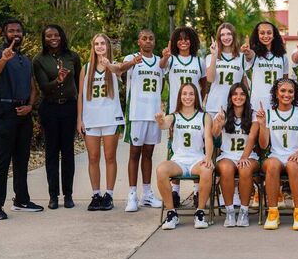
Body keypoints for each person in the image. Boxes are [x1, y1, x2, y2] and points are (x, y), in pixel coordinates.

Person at [0, 19, 43, 219]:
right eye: (11, 31)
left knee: (22, 159)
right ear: (4, 34)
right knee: (2, 159)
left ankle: (21, 200)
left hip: (23, 113)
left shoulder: (25, 60)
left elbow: (32, 88)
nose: (15, 33)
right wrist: (4, 59)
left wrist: (29, 106)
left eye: (18, 31)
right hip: (3, 110)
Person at [33, 24, 82, 209]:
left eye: (56, 35)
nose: (53, 38)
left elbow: (79, 84)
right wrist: (57, 81)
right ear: (44, 39)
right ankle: (53, 196)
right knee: (51, 153)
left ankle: (68, 195)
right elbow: (43, 87)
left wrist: (80, 111)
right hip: (50, 109)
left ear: (61, 36)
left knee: (68, 152)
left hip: (69, 108)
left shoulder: (72, 57)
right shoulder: (39, 60)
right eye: (48, 36)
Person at [159, 26, 207, 208]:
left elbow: (203, 84)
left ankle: (196, 192)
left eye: (187, 39)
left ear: (192, 41)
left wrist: (200, 104)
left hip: (195, 111)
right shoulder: (171, 60)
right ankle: (175, 192)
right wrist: (165, 56)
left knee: (196, 147)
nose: (183, 42)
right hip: (176, 111)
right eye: (180, 39)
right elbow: (161, 67)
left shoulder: (198, 61)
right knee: (175, 149)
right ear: (174, 42)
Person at [154, 83, 213, 229]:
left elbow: (209, 138)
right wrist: (160, 120)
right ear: (180, 96)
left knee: (207, 170)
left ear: (196, 96)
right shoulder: (174, 116)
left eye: (191, 94)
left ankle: (199, 212)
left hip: (196, 160)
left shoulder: (204, 116)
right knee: (161, 170)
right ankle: (171, 213)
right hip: (178, 161)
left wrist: (208, 157)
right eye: (184, 94)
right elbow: (164, 124)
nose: (188, 97)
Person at [77, 33, 125, 211]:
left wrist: (109, 64)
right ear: (93, 47)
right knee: (93, 157)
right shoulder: (86, 67)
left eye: (102, 43)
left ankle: (109, 195)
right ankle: (96, 194)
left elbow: (119, 71)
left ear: (108, 46)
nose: (99, 46)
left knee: (110, 157)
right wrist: (79, 119)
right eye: (96, 44)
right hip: (91, 118)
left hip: (110, 118)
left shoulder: (114, 66)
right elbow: (80, 95)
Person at [257, 78, 298, 230]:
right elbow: (263, 144)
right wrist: (262, 125)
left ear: (295, 94)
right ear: (276, 93)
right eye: (283, 91)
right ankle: (273, 212)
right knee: (272, 164)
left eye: (290, 91)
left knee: (293, 165)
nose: (287, 94)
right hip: (276, 156)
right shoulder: (268, 113)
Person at [122, 29, 165, 212]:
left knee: (148, 154)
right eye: (144, 38)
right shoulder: (130, 58)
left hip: (153, 115)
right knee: (134, 154)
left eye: (151, 38)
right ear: (138, 41)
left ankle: (147, 194)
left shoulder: (160, 62)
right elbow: (120, 72)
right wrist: (132, 62)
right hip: (136, 114)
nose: (148, 41)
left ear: (154, 42)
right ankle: (132, 195)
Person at [208, 82, 260, 227]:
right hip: (227, 155)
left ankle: (244, 211)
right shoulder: (223, 113)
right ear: (230, 97)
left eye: (242, 94)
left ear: (246, 97)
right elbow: (215, 136)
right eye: (235, 94)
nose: (238, 97)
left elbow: (251, 137)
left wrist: (244, 157)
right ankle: (230, 212)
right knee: (226, 169)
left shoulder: (253, 115)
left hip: (249, 155)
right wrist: (218, 124)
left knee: (245, 168)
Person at [242, 21, 289, 111]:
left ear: (274, 35)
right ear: (257, 35)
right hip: (257, 103)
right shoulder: (254, 54)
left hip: (277, 102)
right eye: (262, 33)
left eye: (269, 33)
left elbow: (285, 80)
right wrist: (247, 51)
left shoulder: (283, 57)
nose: (266, 36)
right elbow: (249, 55)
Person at [205, 22, 248, 114]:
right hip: (214, 106)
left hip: (234, 106)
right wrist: (214, 55)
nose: (226, 37)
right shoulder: (210, 57)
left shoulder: (242, 57)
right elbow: (210, 79)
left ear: (233, 36)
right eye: (222, 35)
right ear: (219, 38)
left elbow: (244, 83)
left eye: (229, 34)